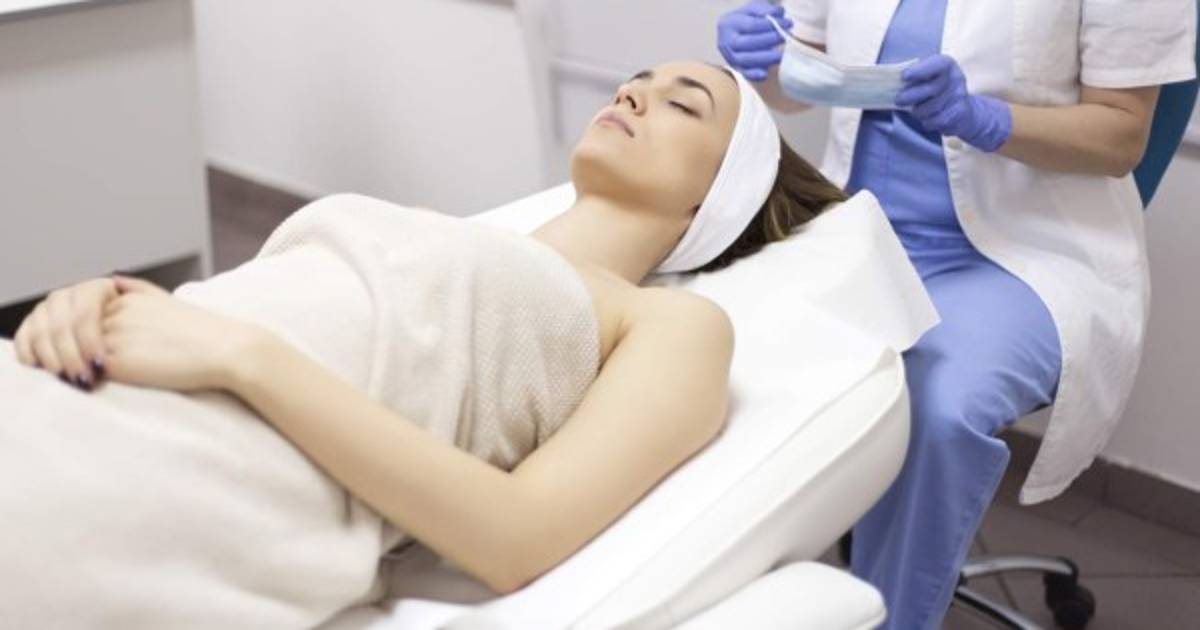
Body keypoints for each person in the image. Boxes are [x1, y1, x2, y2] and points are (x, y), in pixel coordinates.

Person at [0, 61, 847, 626]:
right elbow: (253, 307)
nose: (632, 95)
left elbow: (517, 539)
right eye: (637, 81)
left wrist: (242, 358)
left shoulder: (673, 326)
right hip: (69, 374)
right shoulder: (450, 230)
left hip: (195, 472)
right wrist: (99, 302)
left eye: (682, 104)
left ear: (720, 197)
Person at [717, 1, 1197, 628]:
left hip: (1023, 254)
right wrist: (764, 60)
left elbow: (1120, 136)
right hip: (859, 235)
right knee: (717, 340)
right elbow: (799, 83)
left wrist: (985, 119)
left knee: (937, 407)